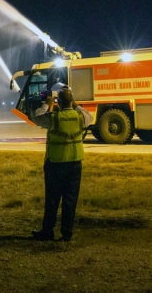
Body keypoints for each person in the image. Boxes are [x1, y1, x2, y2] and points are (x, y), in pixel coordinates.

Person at [30, 86, 93, 242]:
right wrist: (76, 104)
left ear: (58, 102)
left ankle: (48, 231)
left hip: (56, 164)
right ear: (71, 101)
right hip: (75, 164)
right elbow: (89, 116)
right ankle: (66, 234)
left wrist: (47, 104)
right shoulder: (80, 117)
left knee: (52, 200)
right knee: (70, 201)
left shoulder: (54, 118)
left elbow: (37, 117)